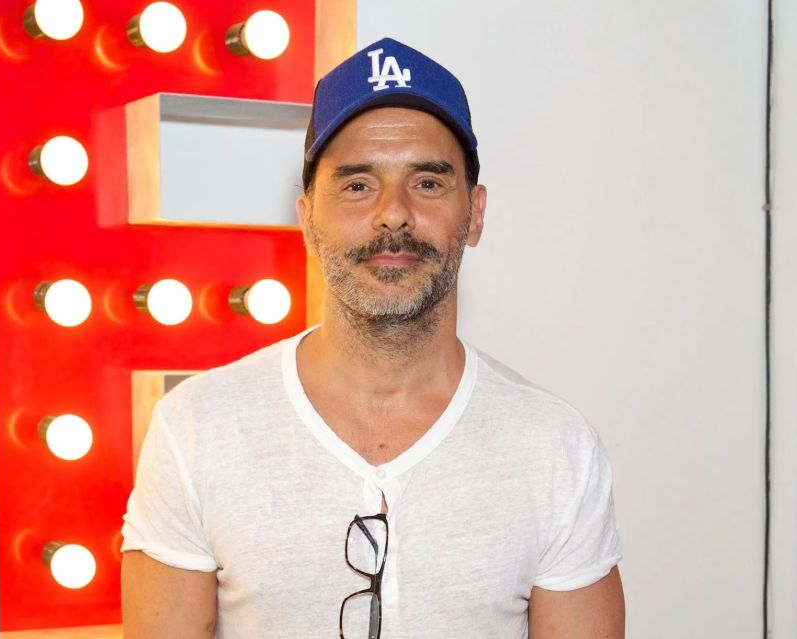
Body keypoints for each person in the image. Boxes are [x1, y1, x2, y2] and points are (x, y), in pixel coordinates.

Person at [120, 37, 624, 638]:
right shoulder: (196, 430)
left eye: (429, 183)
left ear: (477, 213)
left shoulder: (555, 449)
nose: (393, 214)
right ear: (307, 219)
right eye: (358, 185)